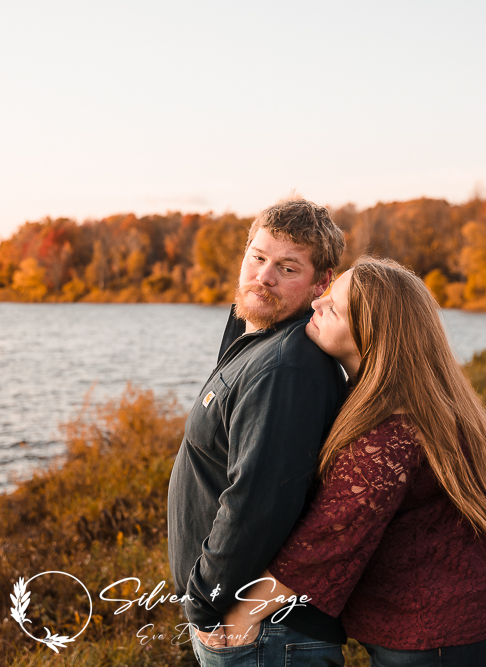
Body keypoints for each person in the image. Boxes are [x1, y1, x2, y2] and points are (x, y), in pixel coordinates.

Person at [220, 258, 486, 667]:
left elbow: (329, 541)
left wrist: (240, 611)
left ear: (371, 335)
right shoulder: (433, 399)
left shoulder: (388, 430)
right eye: (325, 294)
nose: (317, 305)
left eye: (334, 307)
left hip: (452, 634)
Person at [167, 198, 349, 665]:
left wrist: (205, 603)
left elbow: (257, 504)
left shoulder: (285, 367)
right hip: (248, 625)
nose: (264, 277)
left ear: (321, 283)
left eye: (288, 268)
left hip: (260, 632)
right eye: (257, 257)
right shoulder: (260, 338)